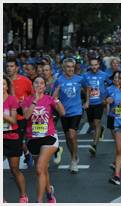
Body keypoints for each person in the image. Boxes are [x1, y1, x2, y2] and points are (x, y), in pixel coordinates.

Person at [23, 76, 65, 203]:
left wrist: (56, 99)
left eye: (42, 83)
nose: (39, 85)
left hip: (49, 138)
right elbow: (26, 116)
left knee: (39, 168)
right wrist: (34, 101)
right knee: (43, 169)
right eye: (36, 83)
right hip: (33, 139)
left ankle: (39, 201)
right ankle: (49, 192)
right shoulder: (27, 100)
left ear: (45, 87)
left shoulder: (49, 99)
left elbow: (63, 113)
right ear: (32, 86)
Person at [53, 58, 89, 173]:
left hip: (76, 111)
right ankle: (74, 154)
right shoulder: (59, 80)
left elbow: (87, 88)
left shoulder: (79, 79)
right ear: (63, 68)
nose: (70, 69)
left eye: (72, 67)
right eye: (68, 67)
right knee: (68, 137)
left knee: (73, 135)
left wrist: (87, 101)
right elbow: (54, 96)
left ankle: (73, 161)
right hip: (64, 112)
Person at [3, 75, 28, 203]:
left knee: (14, 169)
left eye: (3, 84)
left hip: (12, 136)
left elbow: (13, 120)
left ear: (7, 86)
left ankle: (23, 196)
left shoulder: (12, 100)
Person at [6, 59, 34, 168]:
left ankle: (17, 166)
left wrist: (26, 104)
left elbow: (33, 96)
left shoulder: (25, 81)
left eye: (12, 66)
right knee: (14, 140)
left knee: (19, 140)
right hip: (7, 117)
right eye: (7, 66)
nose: (9, 68)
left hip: (21, 116)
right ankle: (26, 155)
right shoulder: (4, 81)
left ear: (17, 68)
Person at [83, 57, 110, 156]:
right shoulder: (85, 76)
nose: (94, 67)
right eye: (92, 65)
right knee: (92, 125)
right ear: (90, 65)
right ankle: (101, 129)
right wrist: (86, 100)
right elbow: (84, 89)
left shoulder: (104, 75)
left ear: (98, 65)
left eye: (96, 65)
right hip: (90, 103)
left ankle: (94, 145)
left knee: (96, 122)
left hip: (99, 103)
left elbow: (110, 85)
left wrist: (106, 97)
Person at [106, 71, 121, 169]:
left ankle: (117, 161)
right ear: (113, 79)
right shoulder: (109, 89)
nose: (118, 80)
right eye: (116, 78)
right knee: (116, 140)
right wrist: (107, 101)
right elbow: (104, 101)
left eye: (120, 78)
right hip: (112, 116)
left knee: (120, 141)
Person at [42, 64, 64, 164]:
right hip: (43, 111)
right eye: (43, 70)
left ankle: (55, 150)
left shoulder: (56, 82)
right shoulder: (40, 82)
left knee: (49, 130)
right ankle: (56, 149)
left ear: (51, 71)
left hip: (53, 110)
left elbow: (57, 96)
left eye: (47, 70)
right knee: (44, 132)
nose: (45, 72)